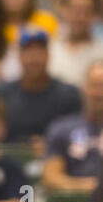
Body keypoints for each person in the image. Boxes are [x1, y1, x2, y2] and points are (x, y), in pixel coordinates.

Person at [0, 29, 81, 144]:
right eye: (28, 50)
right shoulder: (1, 95)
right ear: (19, 56)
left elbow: (78, 135)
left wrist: (52, 145)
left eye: (40, 50)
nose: (34, 57)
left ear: (48, 55)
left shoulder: (69, 95)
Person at [43, 60, 103, 193]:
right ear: (84, 88)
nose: (99, 93)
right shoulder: (61, 129)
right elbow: (51, 176)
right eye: (95, 85)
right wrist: (88, 187)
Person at [48, 0, 103, 87]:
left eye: (87, 11)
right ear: (63, 10)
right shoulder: (50, 48)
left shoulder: (100, 51)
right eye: (75, 10)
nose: (80, 17)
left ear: (95, 14)